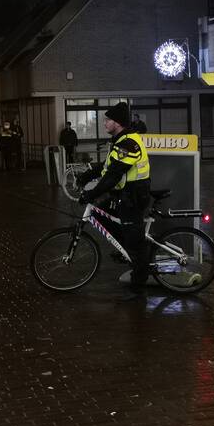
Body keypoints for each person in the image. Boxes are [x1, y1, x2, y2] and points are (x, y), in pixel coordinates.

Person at [76, 101, 151, 301]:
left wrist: (91, 194)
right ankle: (125, 248)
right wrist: (87, 176)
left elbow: (114, 175)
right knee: (100, 215)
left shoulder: (129, 143)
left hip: (133, 197)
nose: (105, 123)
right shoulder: (119, 141)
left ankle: (139, 284)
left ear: (117, 122)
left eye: (107, 120)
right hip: (123, 196)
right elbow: (106, 166)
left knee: (135, 243)